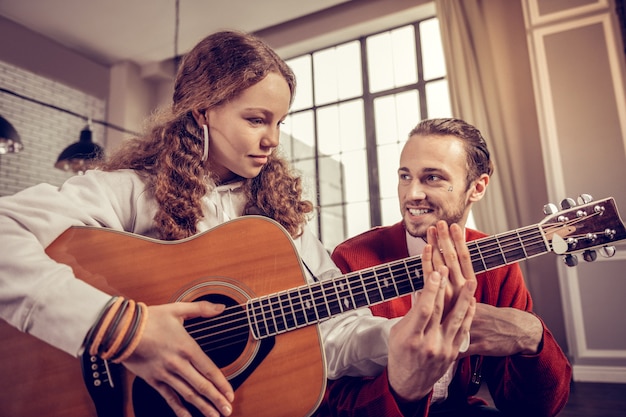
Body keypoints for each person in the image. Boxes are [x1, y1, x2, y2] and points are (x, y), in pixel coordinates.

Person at [0, 30, 380, 417]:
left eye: (279, 122)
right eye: (256, 120)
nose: (272, 140)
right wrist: (120, 329)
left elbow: (334, 328)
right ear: (202, 111)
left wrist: (398, 338)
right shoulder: (131, 191)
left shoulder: (280, 217)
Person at [314, 118, 572, 417]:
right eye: (405, 176)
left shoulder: (498, 266)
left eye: (432, 178)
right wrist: (404, 388)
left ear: (476, 187)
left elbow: (535, 409)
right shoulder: (353, 257)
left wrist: (531, 334)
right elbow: (330, 398)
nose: (412, 194)